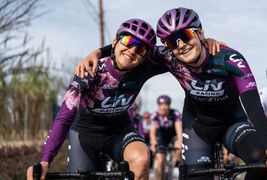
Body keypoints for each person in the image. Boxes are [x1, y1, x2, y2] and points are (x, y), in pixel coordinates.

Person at [74, 7, 267, 179]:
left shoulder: (230, 59)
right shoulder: (169, 57)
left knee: (260, 161)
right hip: (198, 128)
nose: (181, 45)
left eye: (185, 36)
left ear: (200, 33)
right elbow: (130, 45)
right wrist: (97, 52)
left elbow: (253, 105)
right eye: (171, 41)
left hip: (234, 123)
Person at [27, 18, 166, 180]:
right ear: (115, 43)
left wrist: (203, 41)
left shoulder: (146, 66)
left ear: (145, 55)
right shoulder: (90, 71)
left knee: (141, 160)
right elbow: (64, 118)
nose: (133, 50)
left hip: (119, 131)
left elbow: (179, 50)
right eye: (128, 40)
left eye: (141, 48)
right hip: (85, 134)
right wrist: (45, 161)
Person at [149, 95, 182, 180]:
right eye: (161, 105)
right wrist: (153, 141)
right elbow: (153, 132)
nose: (163, 107)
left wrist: (179, 140)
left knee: (179, 149)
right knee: (160, 160)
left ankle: (176, 169)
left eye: (166, 104)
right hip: (161, 139)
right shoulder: (155, 115)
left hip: (172, 137)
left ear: (169, 105)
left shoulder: (175, 113)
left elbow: (179, 130)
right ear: (158, 105)